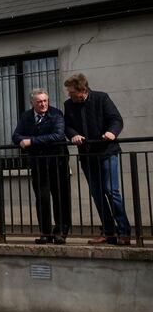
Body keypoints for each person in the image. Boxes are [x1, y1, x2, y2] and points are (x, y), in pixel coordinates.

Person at [63, 73, 131, 245]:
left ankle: (124, 232)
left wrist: (112, 132)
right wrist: (73, 135)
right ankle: (108, 232)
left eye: (71, 92)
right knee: (97, 194)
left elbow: (116, 119)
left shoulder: (101, 98)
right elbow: (67, 126)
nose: (69, 95)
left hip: (107, 151)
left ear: (83, 90)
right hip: (86, 155)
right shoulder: (69, 105)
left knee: (110, 190)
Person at [13, 89, 71, 244]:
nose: (43, 104)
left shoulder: (56, 114)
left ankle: (60, 232)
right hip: (38, 164)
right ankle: (45, 232)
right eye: (39, 102)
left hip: (57, 162)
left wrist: (31, 141)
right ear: (32, 103)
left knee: (60, 197)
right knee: (42, 198)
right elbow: (16, 136)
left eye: (45, 100)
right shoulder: (26, 116)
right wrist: (28, 140)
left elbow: (58, 135)